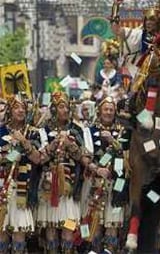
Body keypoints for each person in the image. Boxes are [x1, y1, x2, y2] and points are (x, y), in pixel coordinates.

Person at [36, 92, 84, 253]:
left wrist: (70, 145)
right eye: (61, 106)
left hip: (70, 187)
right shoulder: (43, 130)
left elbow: (83, 157)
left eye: (67, 107)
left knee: (68, 230)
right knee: (50, 231)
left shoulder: (77, 129)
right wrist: (55, 143)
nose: (65, 110)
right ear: (54, 109)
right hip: (49, 187)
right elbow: (39, 159)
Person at [81, 96, 129, 253]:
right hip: (94, 184)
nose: (108, 112)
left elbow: (128, 157)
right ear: (99, 111)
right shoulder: (88, 130)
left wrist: (113, 141)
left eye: (111, 109)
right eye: (105, 109)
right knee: (93, 224)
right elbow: (84, 157)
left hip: (117, 185)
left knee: (113, 225)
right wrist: (96, 169)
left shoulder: (123, 131)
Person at [0, 95, 41, 253]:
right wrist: (8, 155)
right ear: (9, 110)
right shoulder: (1, 130)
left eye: (23, 107)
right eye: (17, 107)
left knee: (19, 233)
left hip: (23, 188)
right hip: (2, 186)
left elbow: (37, 159)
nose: (21, 110)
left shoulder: (32, 133)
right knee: (1, 232)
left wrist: (23, 141)